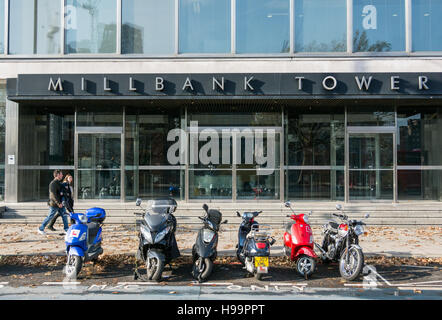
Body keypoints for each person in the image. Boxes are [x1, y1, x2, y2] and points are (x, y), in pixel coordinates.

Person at [37, 170, 69, 235]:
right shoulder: (53, 183)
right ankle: (41, 228)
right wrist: (58, 203)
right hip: (54, 204)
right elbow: (53, 195)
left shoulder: (59, 183)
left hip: (60, 204)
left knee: (64, 216)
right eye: (61, 174)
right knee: (50, 217)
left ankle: (66, 229)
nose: (62, 175)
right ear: (57, 175)